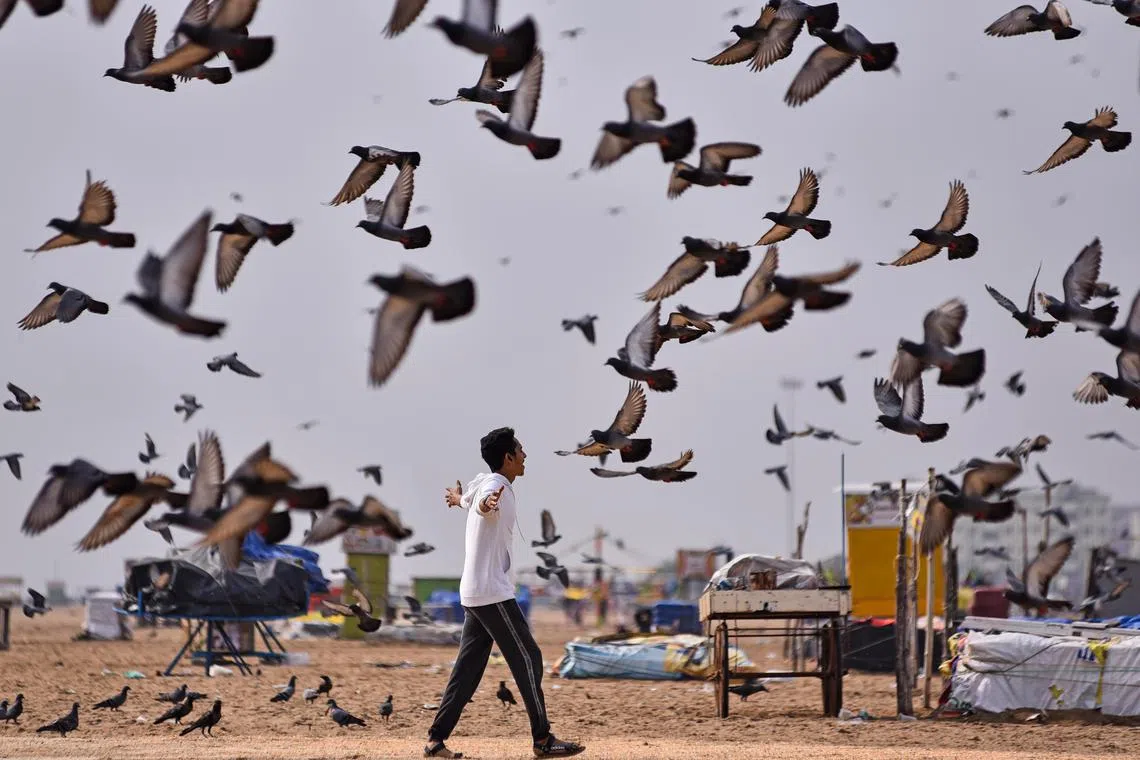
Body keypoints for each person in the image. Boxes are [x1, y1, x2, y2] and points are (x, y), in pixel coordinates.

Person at [424, 427, 585, 759]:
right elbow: (482, 506)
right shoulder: (496, 487)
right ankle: (542, 740)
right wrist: (484, 503)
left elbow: (471, 500)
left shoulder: (486, 481)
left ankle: (435, 740)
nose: (525, 455)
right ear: (508, 457)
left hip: (475, 592)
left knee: (467, 669)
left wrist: (459, 499)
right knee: (529, 657)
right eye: (521, 450)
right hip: (492, 592)